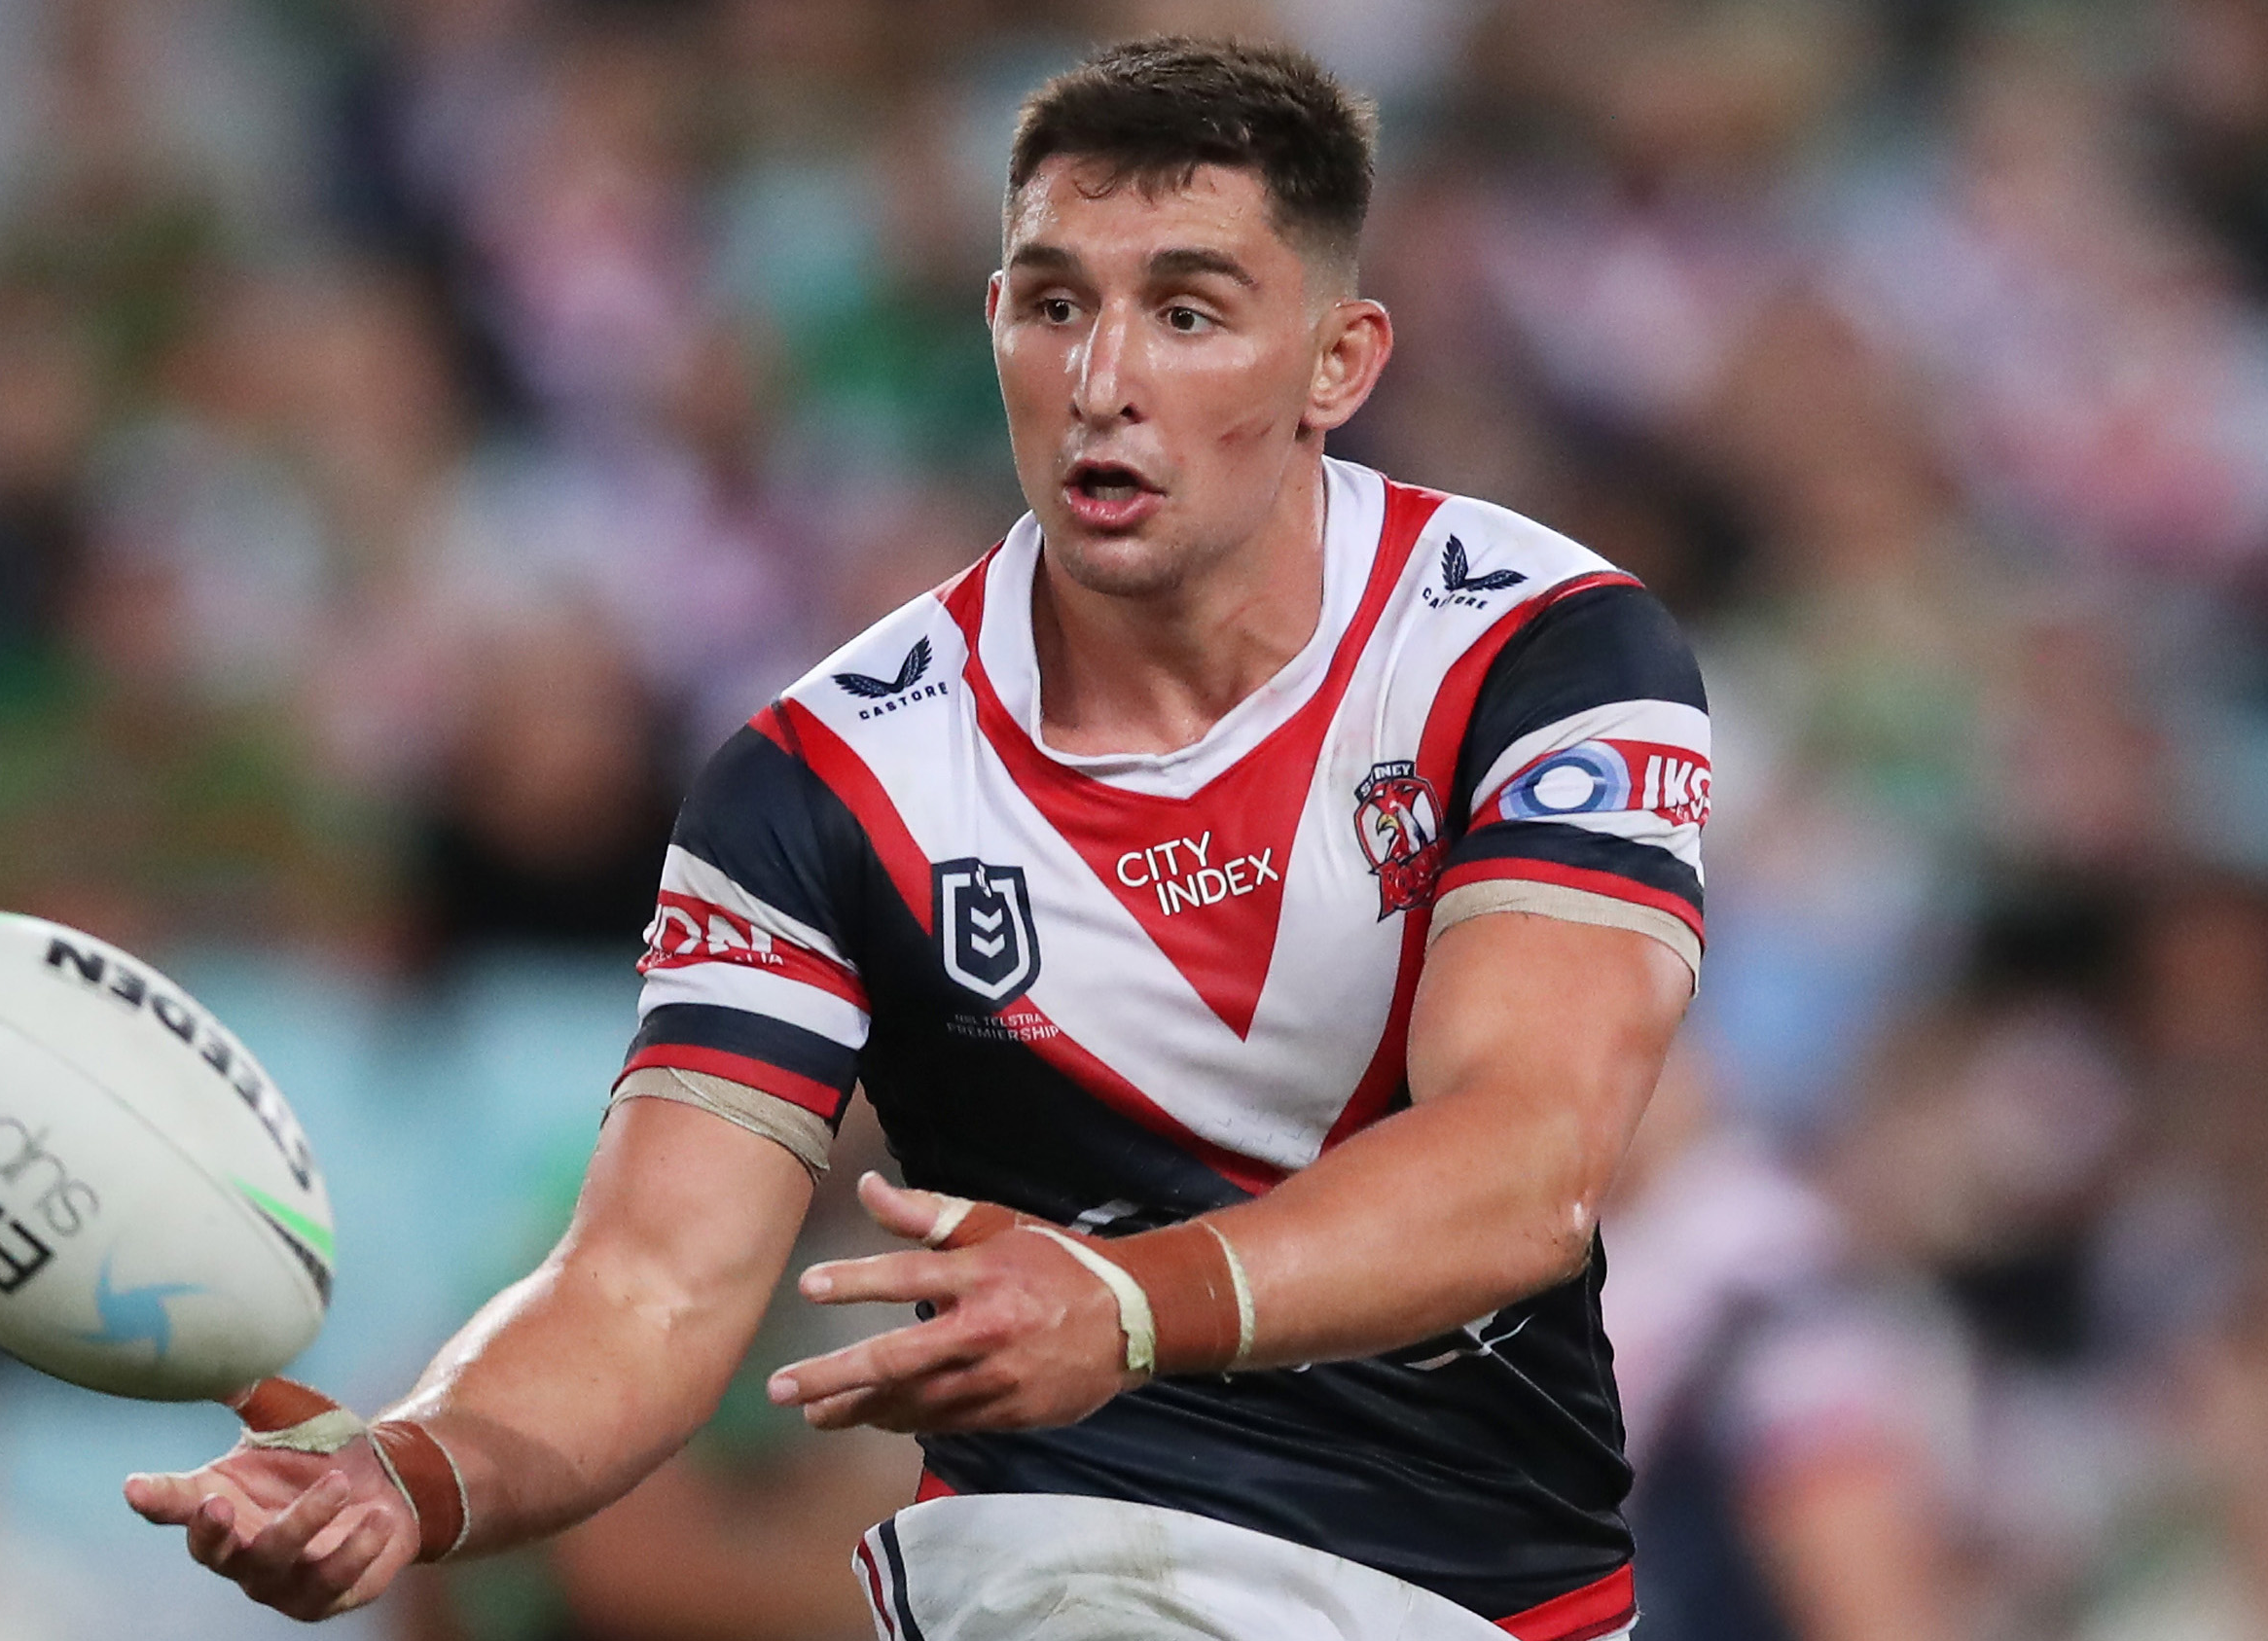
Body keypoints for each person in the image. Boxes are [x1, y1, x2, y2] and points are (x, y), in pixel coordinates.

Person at [128, 37, 1708, 1639]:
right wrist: (419, 1470)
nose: (1103, 380)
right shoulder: (821, 786)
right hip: (1067, 1571)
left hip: (1502, 1597)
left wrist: (1128, 1306)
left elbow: (1529, 1158)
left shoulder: (1536, 650)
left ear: (1336, 362)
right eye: (1052, 305)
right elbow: (649, 1282)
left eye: (1186, 312)